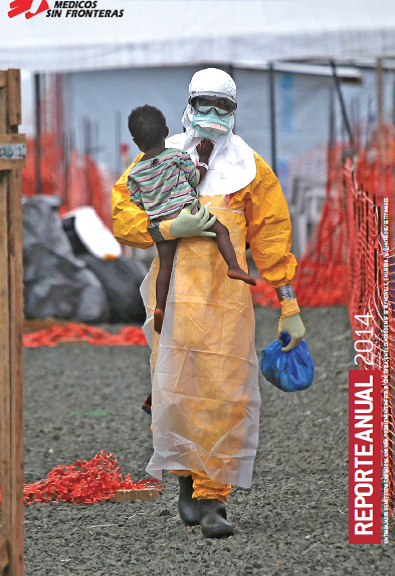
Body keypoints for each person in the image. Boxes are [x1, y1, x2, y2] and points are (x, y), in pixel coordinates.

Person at [112, 68, 306, 539]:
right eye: (205, 104)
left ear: (234, 111)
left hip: (226, 304)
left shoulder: (250, 169)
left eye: (223, 107)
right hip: (172, 299)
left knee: (225, 393)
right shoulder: (158, 159)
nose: (213, 115)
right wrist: (163, 230)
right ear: (189, 103)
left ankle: (213, 498)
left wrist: (289, 303)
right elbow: (123, 216)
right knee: (176, 391)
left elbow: (272, 237)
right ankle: (185, 477)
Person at [126, 105, 256, 334]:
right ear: (166, 130)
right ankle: (234, 266)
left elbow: (136, 201)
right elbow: (196, 178)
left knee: (165, 266)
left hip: (161, 224)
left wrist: (157, 204)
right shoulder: (177, 156)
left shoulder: (135, 173)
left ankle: (160, 307)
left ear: (137, 142)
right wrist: (203, 157)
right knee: (220, 231)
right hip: (189, 213)